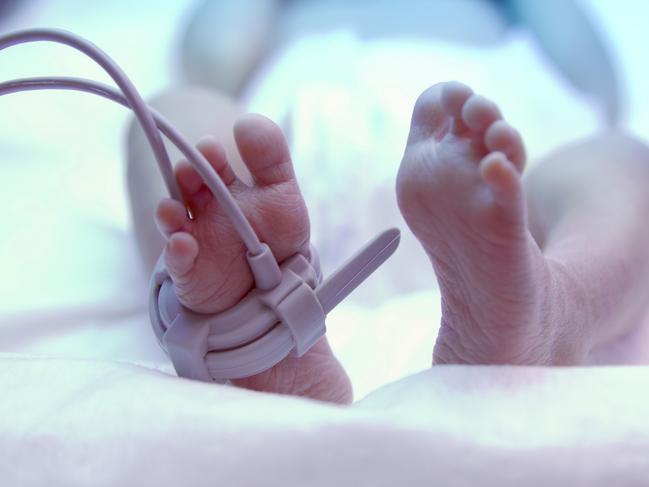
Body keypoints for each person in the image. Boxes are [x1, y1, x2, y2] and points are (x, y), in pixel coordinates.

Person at [126, 80, 649, 405]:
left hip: (499, 197)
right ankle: (239, 317)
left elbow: (601, 79)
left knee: (622, 158)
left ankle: (555, 306)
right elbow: (214, 51)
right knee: (172, 110)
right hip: (274, 192)